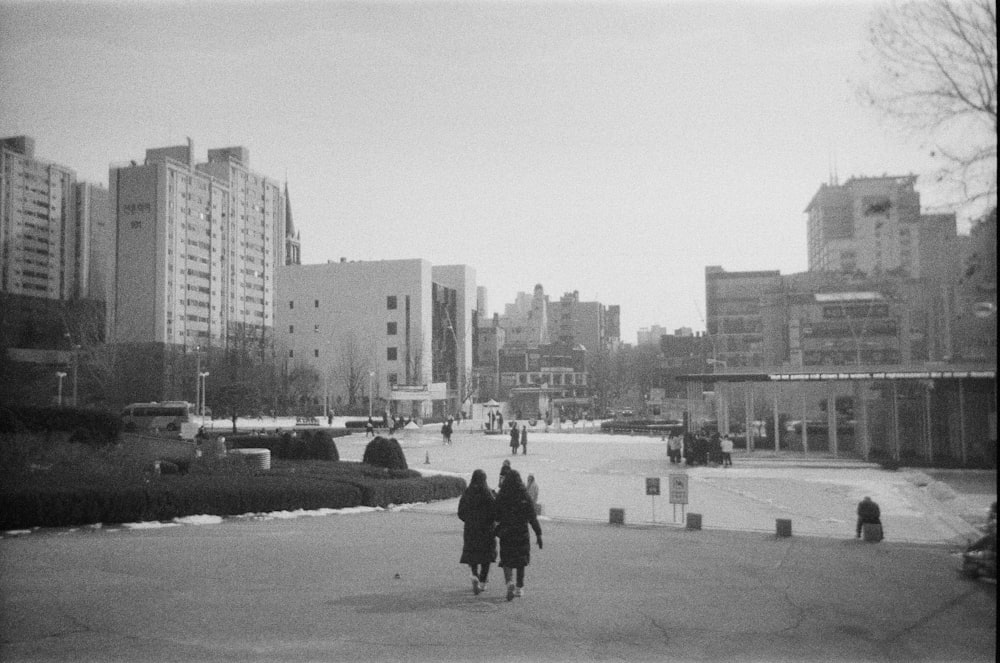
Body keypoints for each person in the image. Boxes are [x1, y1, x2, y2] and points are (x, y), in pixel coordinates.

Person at [495, 469, 543, 600]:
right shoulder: (524, 495)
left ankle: (509, 582)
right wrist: (538, 534)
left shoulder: (502, 494)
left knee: (506, 559)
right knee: (521, 560)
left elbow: (495, 514)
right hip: (521, 532)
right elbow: (532, 517)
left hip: (506, 532)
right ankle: (519, 587)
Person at [458, 469, 497, 595]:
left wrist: (469, 520)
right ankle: (483, 582)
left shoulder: (467, 493)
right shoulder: (488, 494)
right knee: (486, 556)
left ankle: (474, 574)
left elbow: (461, 512)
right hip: (486, 530)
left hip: (471, 529)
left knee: (473, 553)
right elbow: (495, 512)